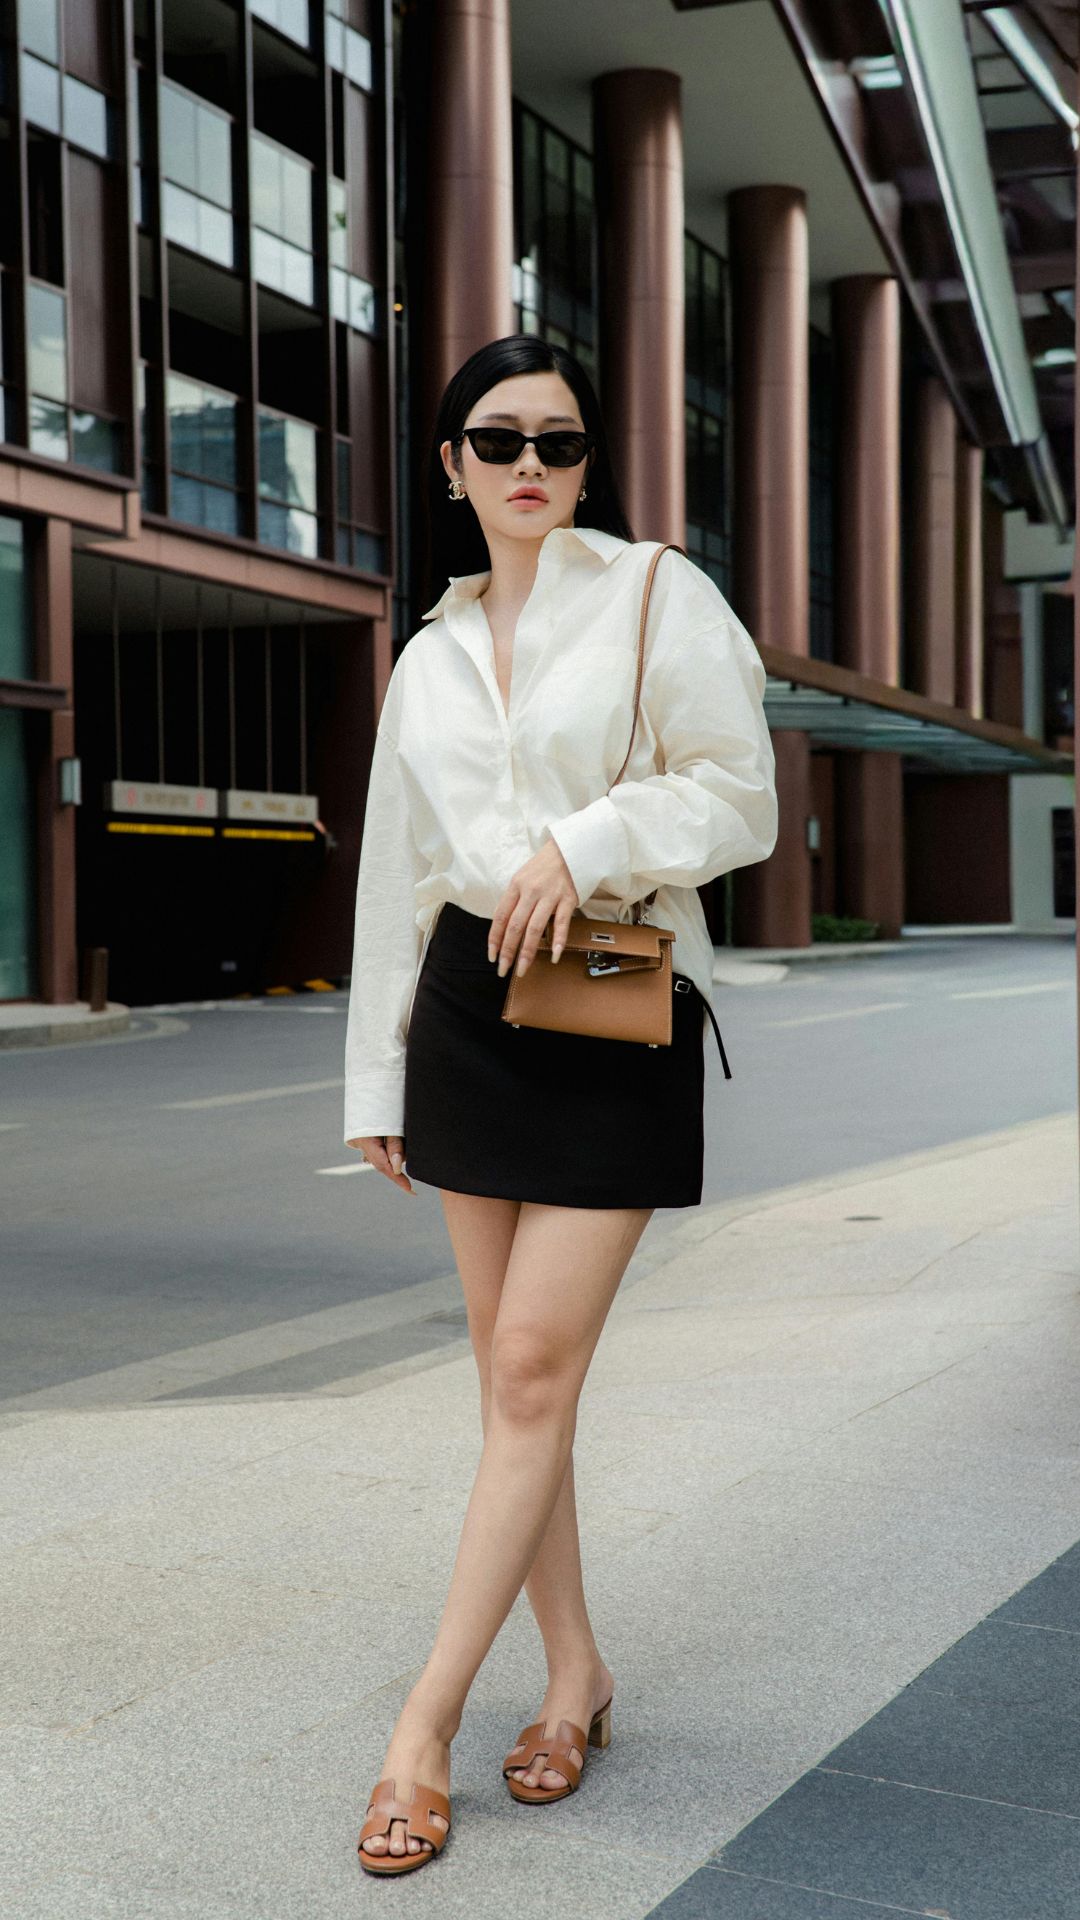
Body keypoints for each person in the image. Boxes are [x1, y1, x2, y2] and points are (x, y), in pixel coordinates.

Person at [343, 334, 778, 1874]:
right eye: (500, 439)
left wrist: (582, 840)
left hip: (609, 1001)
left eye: (564, 441)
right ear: (451, 464)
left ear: (591, 463)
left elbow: (741, 794)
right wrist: (374, 1076)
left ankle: (424, 1725)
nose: (534, 465)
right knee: (517, 1387)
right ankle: (576, 1674)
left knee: (530, 1369)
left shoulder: (657, 591)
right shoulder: (426, 654)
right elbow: (397, 874)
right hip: (467, 1012)